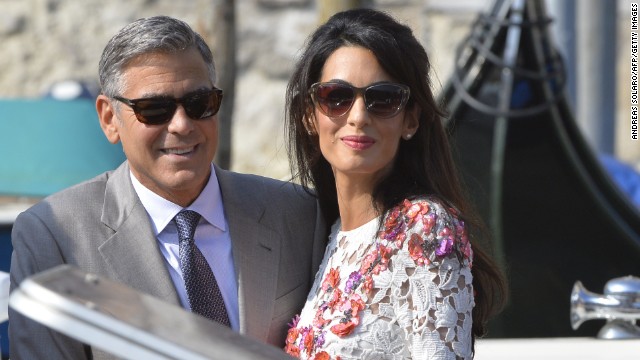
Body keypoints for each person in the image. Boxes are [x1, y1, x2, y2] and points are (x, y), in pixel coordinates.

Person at [9, 15, 326, 359]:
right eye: (154, 109)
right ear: (109, 119)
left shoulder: (298, 213)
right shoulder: (54, 235)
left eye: (199, 103)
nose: (182, 125)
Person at [283, 8, 507, 359]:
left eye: (382, 99)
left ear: (411, 120)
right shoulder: (326, 234)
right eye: (336, 96)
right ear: (310, 115)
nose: (358, 116)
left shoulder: (425, 227)